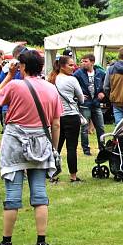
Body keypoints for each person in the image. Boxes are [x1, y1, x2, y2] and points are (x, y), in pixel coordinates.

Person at [0, 49, 62, 245]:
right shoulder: (51, 89)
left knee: (12, 193)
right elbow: (56, 123)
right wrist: (54, 148)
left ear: (22, 66)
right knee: (39, 192)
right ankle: (41, 240)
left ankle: (7, 240)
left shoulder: (15, 85)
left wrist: (8, 75)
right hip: (41, 142)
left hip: (15, 142)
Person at [48, 55, 85, 183]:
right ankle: (73, 176)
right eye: (70, 65)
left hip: (56, 117)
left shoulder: (51, 79)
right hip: (71, 116)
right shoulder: (72, 80)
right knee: (71, 147)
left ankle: (52, 174)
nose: (73, 67)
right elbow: (81, 99)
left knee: (55, 147)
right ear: (62, 66)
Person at [73, 53, 106, 157]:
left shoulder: (100, 73)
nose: (83, 63)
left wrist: (103, 93)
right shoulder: (78, 74)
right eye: (82, 61)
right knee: (84, 127)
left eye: (85, 61)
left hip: (96, 103)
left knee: (100, 127)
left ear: (92, 62)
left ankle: (102, 148)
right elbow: (73, 86)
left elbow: (106, 86)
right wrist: (79, 95)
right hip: (85, 103)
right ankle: (86, 150)